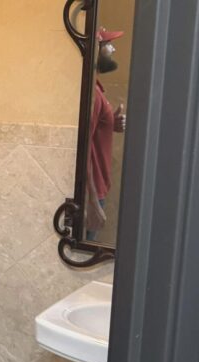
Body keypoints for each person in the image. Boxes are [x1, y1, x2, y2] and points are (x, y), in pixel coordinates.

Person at [86, 28, 127, 239]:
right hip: (90, 194)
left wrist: (111, 124)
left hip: (97, 188)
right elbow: (83, 148)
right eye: (108, 44)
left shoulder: (97, 89)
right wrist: (92, 202)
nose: (113, 48)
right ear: (96, 50)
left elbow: (92, 132)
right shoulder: (92, 93)